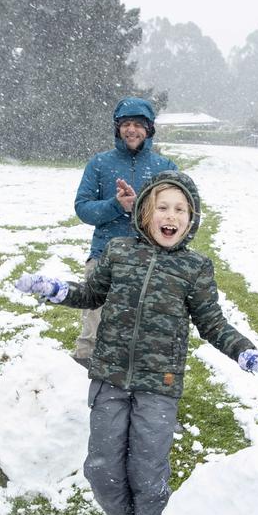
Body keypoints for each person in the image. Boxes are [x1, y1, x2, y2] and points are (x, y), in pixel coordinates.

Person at [15, 170, 258, 515]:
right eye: (162, 206)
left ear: (190, 219)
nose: (171, 215)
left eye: (180, 209)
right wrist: (55, 289)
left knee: (147, 472)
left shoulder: (195, 267)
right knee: (102, 469)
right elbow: (91, 294)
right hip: (109, 377)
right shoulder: (119, 251)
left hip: (158, 386)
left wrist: (245, 351)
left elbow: (212, 322)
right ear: (145, 212)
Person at [72, 97, 177, 367]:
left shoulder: (166, 168)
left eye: (138, 125)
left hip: (150, 256)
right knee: (94, 324)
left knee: (144, 323)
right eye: (126, 124)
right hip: (104, 254)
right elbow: (83, 208)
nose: (132, 130)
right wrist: (116, 205)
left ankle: (138, 376)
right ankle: (84, 370)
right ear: (117, 128)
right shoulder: (99, 164)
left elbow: (178, 214)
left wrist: (145, 208)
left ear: (149, 129)